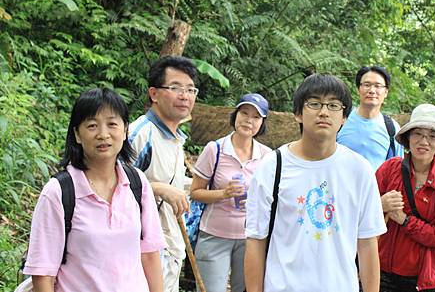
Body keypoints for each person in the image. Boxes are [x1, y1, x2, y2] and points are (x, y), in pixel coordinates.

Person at [244, 74, 387, 292]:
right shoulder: (272, 166)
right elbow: (256, 240)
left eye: (333, 105)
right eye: (314, 103)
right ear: (298, 114)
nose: (324, 111)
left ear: (344, 117)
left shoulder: (360, 170)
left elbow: (367, 243)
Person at [23, 88, 166, 292]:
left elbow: (149, 254)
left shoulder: (137, 183)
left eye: (112, 124)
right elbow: (43, 273)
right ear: (77, 135)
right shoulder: (59, 192)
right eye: (92, 126)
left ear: (125, 131)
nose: (103, 134)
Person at [190, 93, 272, 292]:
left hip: (250, 238)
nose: (248, 120)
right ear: (235, 115)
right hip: (214, 235)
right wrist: (223, 193)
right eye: (244, 113)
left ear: (262, 123)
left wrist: (255, 200)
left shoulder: (267, 156)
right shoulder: (215, 149)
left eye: (256, 117)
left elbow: (271, 199)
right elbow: (195, 192)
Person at [129, 55, 198, 292]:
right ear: (154, 93)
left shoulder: (174, 139)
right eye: (175, 87)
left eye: (190, 89)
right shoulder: (140, 135)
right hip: (139, 253)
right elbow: (110, 186)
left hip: (168, 249)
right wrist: (159, 188)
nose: (184, 96)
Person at [376, 104, 435, 292]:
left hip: (423, 279)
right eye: (418, 134)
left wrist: (405, 220)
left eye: (432, 136)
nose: (424, 141)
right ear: (408, 137)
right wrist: (379, 205)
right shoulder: (390, 169)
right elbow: (360, 212)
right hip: (381, 272)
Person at [337, 66, 403, 171]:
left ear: (386, 92)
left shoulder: (392, 129)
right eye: (367, 85)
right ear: (358, 89)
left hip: (376, 187)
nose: (372, 90)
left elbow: (396, 170)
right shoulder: (340, 120)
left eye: (378, 86)